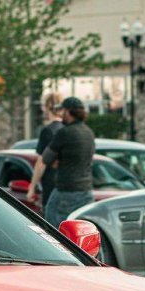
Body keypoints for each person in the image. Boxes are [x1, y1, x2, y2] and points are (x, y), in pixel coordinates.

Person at [26, 96, 94, 228]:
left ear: (68, 112)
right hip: (86, 190)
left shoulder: (64, 132)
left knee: (51, 227)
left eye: (63, 111)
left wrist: (32, 187)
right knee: (80, 229)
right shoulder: (88, 132)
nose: (61, 114)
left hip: (66, 190)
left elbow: (45, 159)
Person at [34, 92, 63, 209]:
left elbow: (41, 162)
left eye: (43, 105)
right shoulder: (67, 129)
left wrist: (32, 187)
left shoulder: (48, 131)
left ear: (47, 107)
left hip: (51, 187)